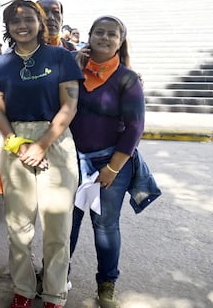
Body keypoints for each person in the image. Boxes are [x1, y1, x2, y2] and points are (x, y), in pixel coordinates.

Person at [0, 0, 83, 308]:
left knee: (57, 225)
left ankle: (55, 293)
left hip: (54, 141)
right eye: (15, 21)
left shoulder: (60, 57)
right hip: (14, 142)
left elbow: (69, 106)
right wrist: (17, 144)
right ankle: (23, 289)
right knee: (18, 227)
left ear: (40, 23)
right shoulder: (1, 64)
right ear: (8, 27)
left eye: (29, 18)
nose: (22, 25)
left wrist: (41, 145)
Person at [69, 16, 147, 308]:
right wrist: (73, 68)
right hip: (72, 162)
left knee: (105, 227)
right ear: (89, 36)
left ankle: (107, 284)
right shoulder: (74, 71)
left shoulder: (127, 78)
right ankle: (56, 275)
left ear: (120, 41)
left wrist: (112, 167)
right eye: (98, 32)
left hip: (109, 163)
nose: (104, 37)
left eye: (111, 34)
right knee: (68, 224)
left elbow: (135, 127)